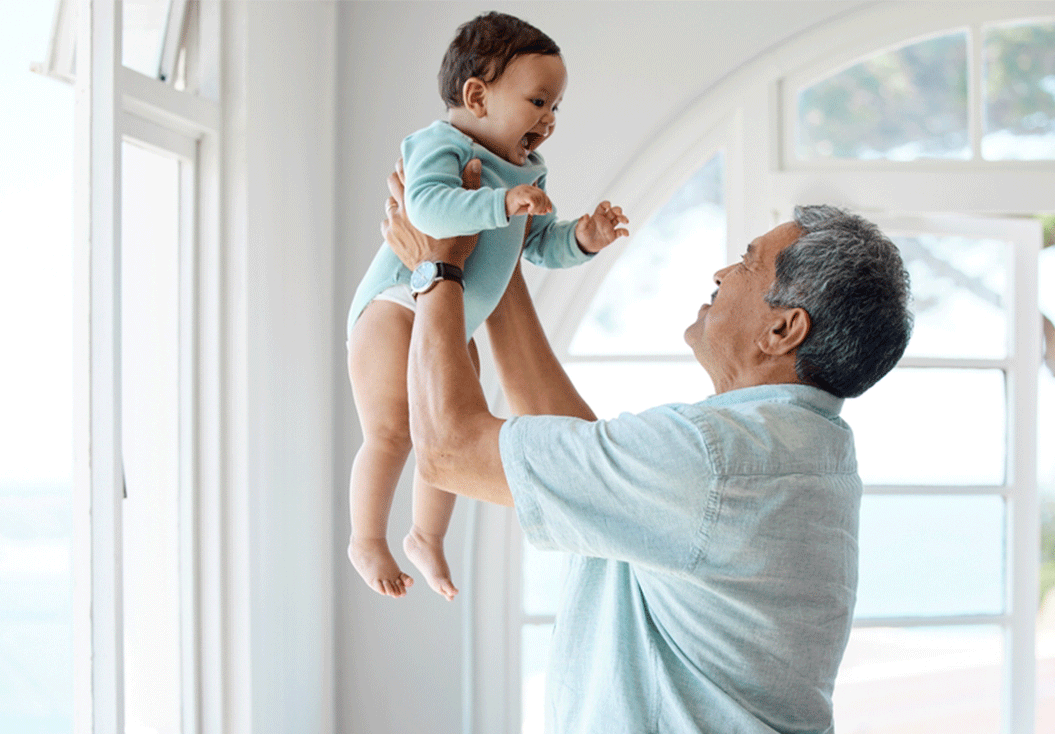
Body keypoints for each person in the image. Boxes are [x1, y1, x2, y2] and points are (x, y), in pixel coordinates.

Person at [382, 157, 913, 732]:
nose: (720, 272)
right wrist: (496, 253)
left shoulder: (712, 461)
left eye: (746, 263)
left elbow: (448, 452)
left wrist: (436, 268)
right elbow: (581, 459)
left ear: (782, 329)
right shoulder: (812, 452)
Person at [345, 11, 629, 601]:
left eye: (555, 108)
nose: (549, 120)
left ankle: (426, 535)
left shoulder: (527, 171)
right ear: (476, 95)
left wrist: (584, 238)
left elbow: (541, 247)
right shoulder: (438, 144)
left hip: (453, 312)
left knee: (450, 424)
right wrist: (501, 204)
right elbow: (426, 209)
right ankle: (365, 538)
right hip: (397, 304)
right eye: (538, 102)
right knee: (393, 430)